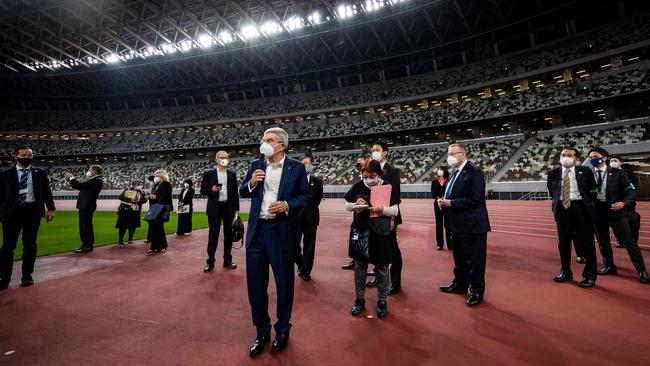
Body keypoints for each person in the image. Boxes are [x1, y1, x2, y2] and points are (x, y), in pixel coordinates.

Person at [240, 127, 310, 357]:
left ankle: (282, 330)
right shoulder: (256, 165)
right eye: (263, 139)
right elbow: (244, 190)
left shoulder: (297, 168)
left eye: (269, 140)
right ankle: (262, 332)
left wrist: (287, 205)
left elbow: (306, 197)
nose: (264, 143)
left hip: (281, 232)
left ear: (282, 145)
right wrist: (251, 183)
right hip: (257, 232)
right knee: (256, 286)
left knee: (284, 285)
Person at [438, 143, 491, 306]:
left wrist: (451, 203)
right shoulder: (455, 173)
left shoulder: (474, 172)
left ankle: (476, 291)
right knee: (459, 258)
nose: (449, 157)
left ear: (463, 154)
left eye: (453, 153)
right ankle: (460, 284)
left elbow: (476, 199)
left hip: (472, 224)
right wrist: (444, 202)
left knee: (475, 261)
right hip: (457, 224)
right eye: (448, 154)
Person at [345, 159, 399, 318]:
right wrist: (356, 205)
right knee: (360, 268)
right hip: (360, 231)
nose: (369, 179)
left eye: (372, 176)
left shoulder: (387, 187)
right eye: (365, 175)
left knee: (382, 269)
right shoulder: (357, 186)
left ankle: (382, 300)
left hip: (380, 233)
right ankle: (359, 299)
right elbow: (347, 206)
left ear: (379, 174)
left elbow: (395, 211)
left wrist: (382, 209)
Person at [587, 148, 648, 284]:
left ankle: (641, 270)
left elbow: (631, 191)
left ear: (604, 158)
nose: (592, 159)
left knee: (628, 241)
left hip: (616, 209)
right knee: (603, 241)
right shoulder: (588, 174)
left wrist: (623, 202)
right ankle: (609, 266)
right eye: (590, 157)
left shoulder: (618, 173)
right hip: (598, 211)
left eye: (595, 156)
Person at [0, 147, 55, 289]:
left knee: (30, 245)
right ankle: (4, 278)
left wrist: (51, 208)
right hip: (12, 213)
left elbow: (46, 191)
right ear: (15, 157)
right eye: (23, 155)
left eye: (29, 155)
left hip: (32, 212)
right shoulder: (5, 174)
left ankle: (27, 275)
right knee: (7, 247)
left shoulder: (39, 172)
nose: (27, 157)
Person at [546, 147, 599, 288]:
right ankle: (566, 272)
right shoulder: (553, 173)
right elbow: (552, 191)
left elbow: (593, 190)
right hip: (562, 210)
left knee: (587, 243)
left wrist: (588, 204)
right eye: (563, 155)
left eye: (570, 155)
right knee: (563, 243)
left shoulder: (585, 171)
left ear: (576, 158)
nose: (566, 157)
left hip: (581, 208)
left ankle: (590, 275)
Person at [366, 141, 402, 295]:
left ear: (385, 152)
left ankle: (395, 283)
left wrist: (391, 217)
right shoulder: (370, 169)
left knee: (392, 250)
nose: (374, 152)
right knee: (377, 249)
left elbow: (395, 196)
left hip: (387, 216)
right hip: (373, 215)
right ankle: (380, 278)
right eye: (373, 150)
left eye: (377, 150)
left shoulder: (392, 171)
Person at [201, 151, 240, 272]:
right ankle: (210, 261)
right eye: (222, 157)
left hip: (229, 208)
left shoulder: (232, 174)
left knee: (229, 236)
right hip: (215, 208)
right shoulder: (209, 174)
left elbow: (235, 193)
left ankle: (227, 260)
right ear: (217, 160)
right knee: (213, 236)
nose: (225, 159)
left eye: (226, 157)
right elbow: (203, 190)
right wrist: (212, 190)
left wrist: (237, 210)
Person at [295, 156, 323, 281]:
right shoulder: (294, 181)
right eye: (304, 163)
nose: (307, 165)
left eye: (309, 163)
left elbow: (317, 200)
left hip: (311, 218)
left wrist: (308, 210)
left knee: (309, 246)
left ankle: (306, 271)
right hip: (295, 218)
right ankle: (301, 263)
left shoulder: (317, 182)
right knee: (293, 245)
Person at [64, 166, 103, 254]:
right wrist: (70, 181)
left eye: (90, 170)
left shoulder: (97, 180)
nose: (89, 171)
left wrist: (71, 177)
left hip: (87, 205)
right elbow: (81, 187)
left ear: (94, 171)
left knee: (86, 226)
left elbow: (81, 185)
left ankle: (87, 245)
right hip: (85, 205)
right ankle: (86, 245)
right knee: (84, 226)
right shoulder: (94, 180)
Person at [342, 153, 370, 270]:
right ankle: (355, 260)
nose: (359, 165)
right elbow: (348, 203)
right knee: (356, 240)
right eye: (358, 164)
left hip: (373, 219)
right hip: (359, 218)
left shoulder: (376, 180)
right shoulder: (358, 182)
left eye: (361, 162)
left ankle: (375, 268)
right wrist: (356, 204)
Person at [610, 156, 640, 246]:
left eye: (615, 160)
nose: (613, 162)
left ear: (621, 163)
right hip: (614, 203)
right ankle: (620, 240)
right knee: (615, 224)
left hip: (628, 203)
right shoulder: (607, 173)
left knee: (632, 222)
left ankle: (634, 240)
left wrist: (627, 201)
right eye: (611, 161)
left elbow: (633, 188)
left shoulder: (629, 173)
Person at [146, 170, 173, 254]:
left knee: (157, 226)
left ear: (162, 175)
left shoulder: (166, 184)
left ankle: (156, 246)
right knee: (157, 227)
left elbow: (164, 196)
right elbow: (155, 195)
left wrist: (154, 197)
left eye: (157, 175)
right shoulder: (157, 185)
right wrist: (149, 196)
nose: (155, 177)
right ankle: (161, 245)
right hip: (155, 207)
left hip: (161, 208)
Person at [115, 180, 147, 244]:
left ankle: (130, 239)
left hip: (135, 210)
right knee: (123, 226)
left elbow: (144, 200)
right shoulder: (128, 189)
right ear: (134, 184)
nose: (141, 185)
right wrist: (130, 200)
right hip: (125, 210)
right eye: (139, 184)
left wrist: (137, 201)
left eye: (141, 184)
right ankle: (120, 240)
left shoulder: (142, 192)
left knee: (133, 226)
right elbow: (120, 197)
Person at [431, 167, 452, 250]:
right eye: (438, 170)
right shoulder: (434, 182)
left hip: (447, 204)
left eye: (441, 170)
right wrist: (438, 199)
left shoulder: (448, 181)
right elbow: (433, 194)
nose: (439, 171)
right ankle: (439, 244)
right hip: (437, 205)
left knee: (448, 225)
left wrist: (444, 199)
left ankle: (450, 244)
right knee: (438, 225)